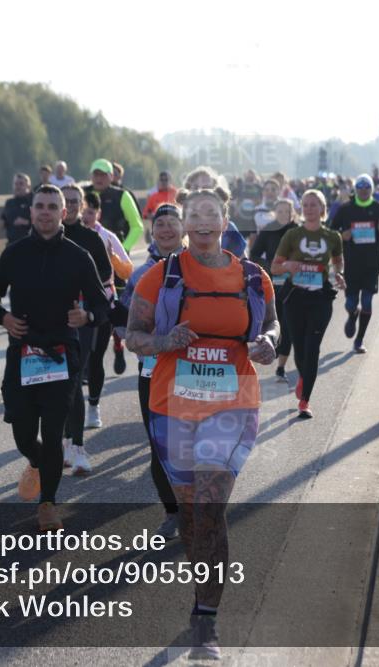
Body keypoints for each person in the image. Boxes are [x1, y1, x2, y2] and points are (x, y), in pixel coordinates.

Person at [125, 184, 279, 661]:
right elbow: (133, 335)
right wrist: (164, 340)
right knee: (191, 513)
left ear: (225, 219)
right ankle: (201, 596)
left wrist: (269, 344)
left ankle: (206, 620)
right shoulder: (160, 276)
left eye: (213, 213)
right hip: (173, 405)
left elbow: (272, 326)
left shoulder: (254, 278)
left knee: (211, 507)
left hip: (232, 405)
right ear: (185, 224)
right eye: (196, 214)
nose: (204, 221)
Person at [0, 185, 109, 532]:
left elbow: (101, 304)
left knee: (54, 435)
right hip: (22, 353)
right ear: (33, 209)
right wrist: (3, 318)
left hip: (60, 355)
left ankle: (48, 504)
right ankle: (37, 463)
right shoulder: (14, 253)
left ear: (64, 213)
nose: (45, 212)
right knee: (24, 434)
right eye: (40, 206)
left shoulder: (77, 256)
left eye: (53, 206)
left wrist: (88, 318)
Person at [119, 203, 186, 540]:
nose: (166, 230)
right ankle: (172, 512)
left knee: (197, 441)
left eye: (172, 223)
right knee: (160, 444)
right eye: (160, 224)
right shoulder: (139, 274)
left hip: (194, 370)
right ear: (152, 230)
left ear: (184, 227)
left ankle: (200, 507)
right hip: (152, 371)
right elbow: (124, 323)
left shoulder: (202, 267)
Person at [271, 190, 344, 418]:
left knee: (312, 349)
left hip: (320, 298)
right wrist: (288, 265)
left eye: (315, 204)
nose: (310, 208)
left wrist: (339, 274)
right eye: (306, 204)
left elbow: (338, 262)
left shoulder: (333, 237)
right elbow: (275, 267)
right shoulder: (292, 235)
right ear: (301, 208)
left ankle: (305, 401)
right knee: (300, 350)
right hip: (295, 297)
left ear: (322, 209)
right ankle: (303, 376)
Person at [60, 184, 114, 476]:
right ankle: (66, 439)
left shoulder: (91, 239)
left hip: (81, 315)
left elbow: (106, 273)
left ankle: (77, 445)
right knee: (58, 384)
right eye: (63, 201)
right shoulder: (46, 235)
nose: (68, 205)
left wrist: (82, 280)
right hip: (51, 318)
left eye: (73, 201)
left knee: (74, 377)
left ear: (81, 206)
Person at [81, 192, 133, 425]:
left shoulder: (108, 237)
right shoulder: (68, 235)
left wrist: (114, 259)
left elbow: (128, 271)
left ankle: (93, 406)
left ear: (98, 213)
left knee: (95, 357)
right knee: (75, 359)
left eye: (91, 212)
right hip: (74, 302)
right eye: (84, 210)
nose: (86, 215)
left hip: (103, 300)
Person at [330, 174, 379, 354]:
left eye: (367, 189)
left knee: (367, 301)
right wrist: (342, 236)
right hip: (352, 263)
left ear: (371, 190)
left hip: (372, 264)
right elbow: (332, 232)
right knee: (350, 303)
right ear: (355, 190)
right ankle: (352, 314)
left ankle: (359, 340)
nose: (364, 192)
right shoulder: (346, 209)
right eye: (360, 188)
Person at [248, 198, 298, 380]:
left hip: (293, 285)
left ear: (293, 213)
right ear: (275, 212)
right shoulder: (269, 230)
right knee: (273, 321)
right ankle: (273, 348)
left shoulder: (298, 231)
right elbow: (254, 253)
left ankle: (281, 367)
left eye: (287, 211)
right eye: (280, 211)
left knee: (287, 325)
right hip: (272, 284)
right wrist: (268, 268)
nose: (283, 214)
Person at [183, 166, 246, 257]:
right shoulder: (175, 225)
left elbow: (244, 263)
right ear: (188, 191)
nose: (200, 192)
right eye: (196, 187)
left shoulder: (228, 228)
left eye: (206, 188)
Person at [84, 159, 144, 252]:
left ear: (111, 176)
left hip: (114, 253)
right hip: (86, 251)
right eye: (96, 174)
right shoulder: (82, 193)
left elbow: (137, 226)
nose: (99, 178)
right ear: (90, 176)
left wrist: (123, 248)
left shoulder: (122, 195)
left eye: (103, 175)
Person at [0, 172, 33, 244]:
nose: (18, 187)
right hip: (12, 243)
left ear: (28, 186)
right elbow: (3, 221)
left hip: (29, 243)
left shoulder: (34, 201)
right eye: (16, 184)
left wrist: (26, 222)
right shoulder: (9, 203)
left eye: (21, 184)